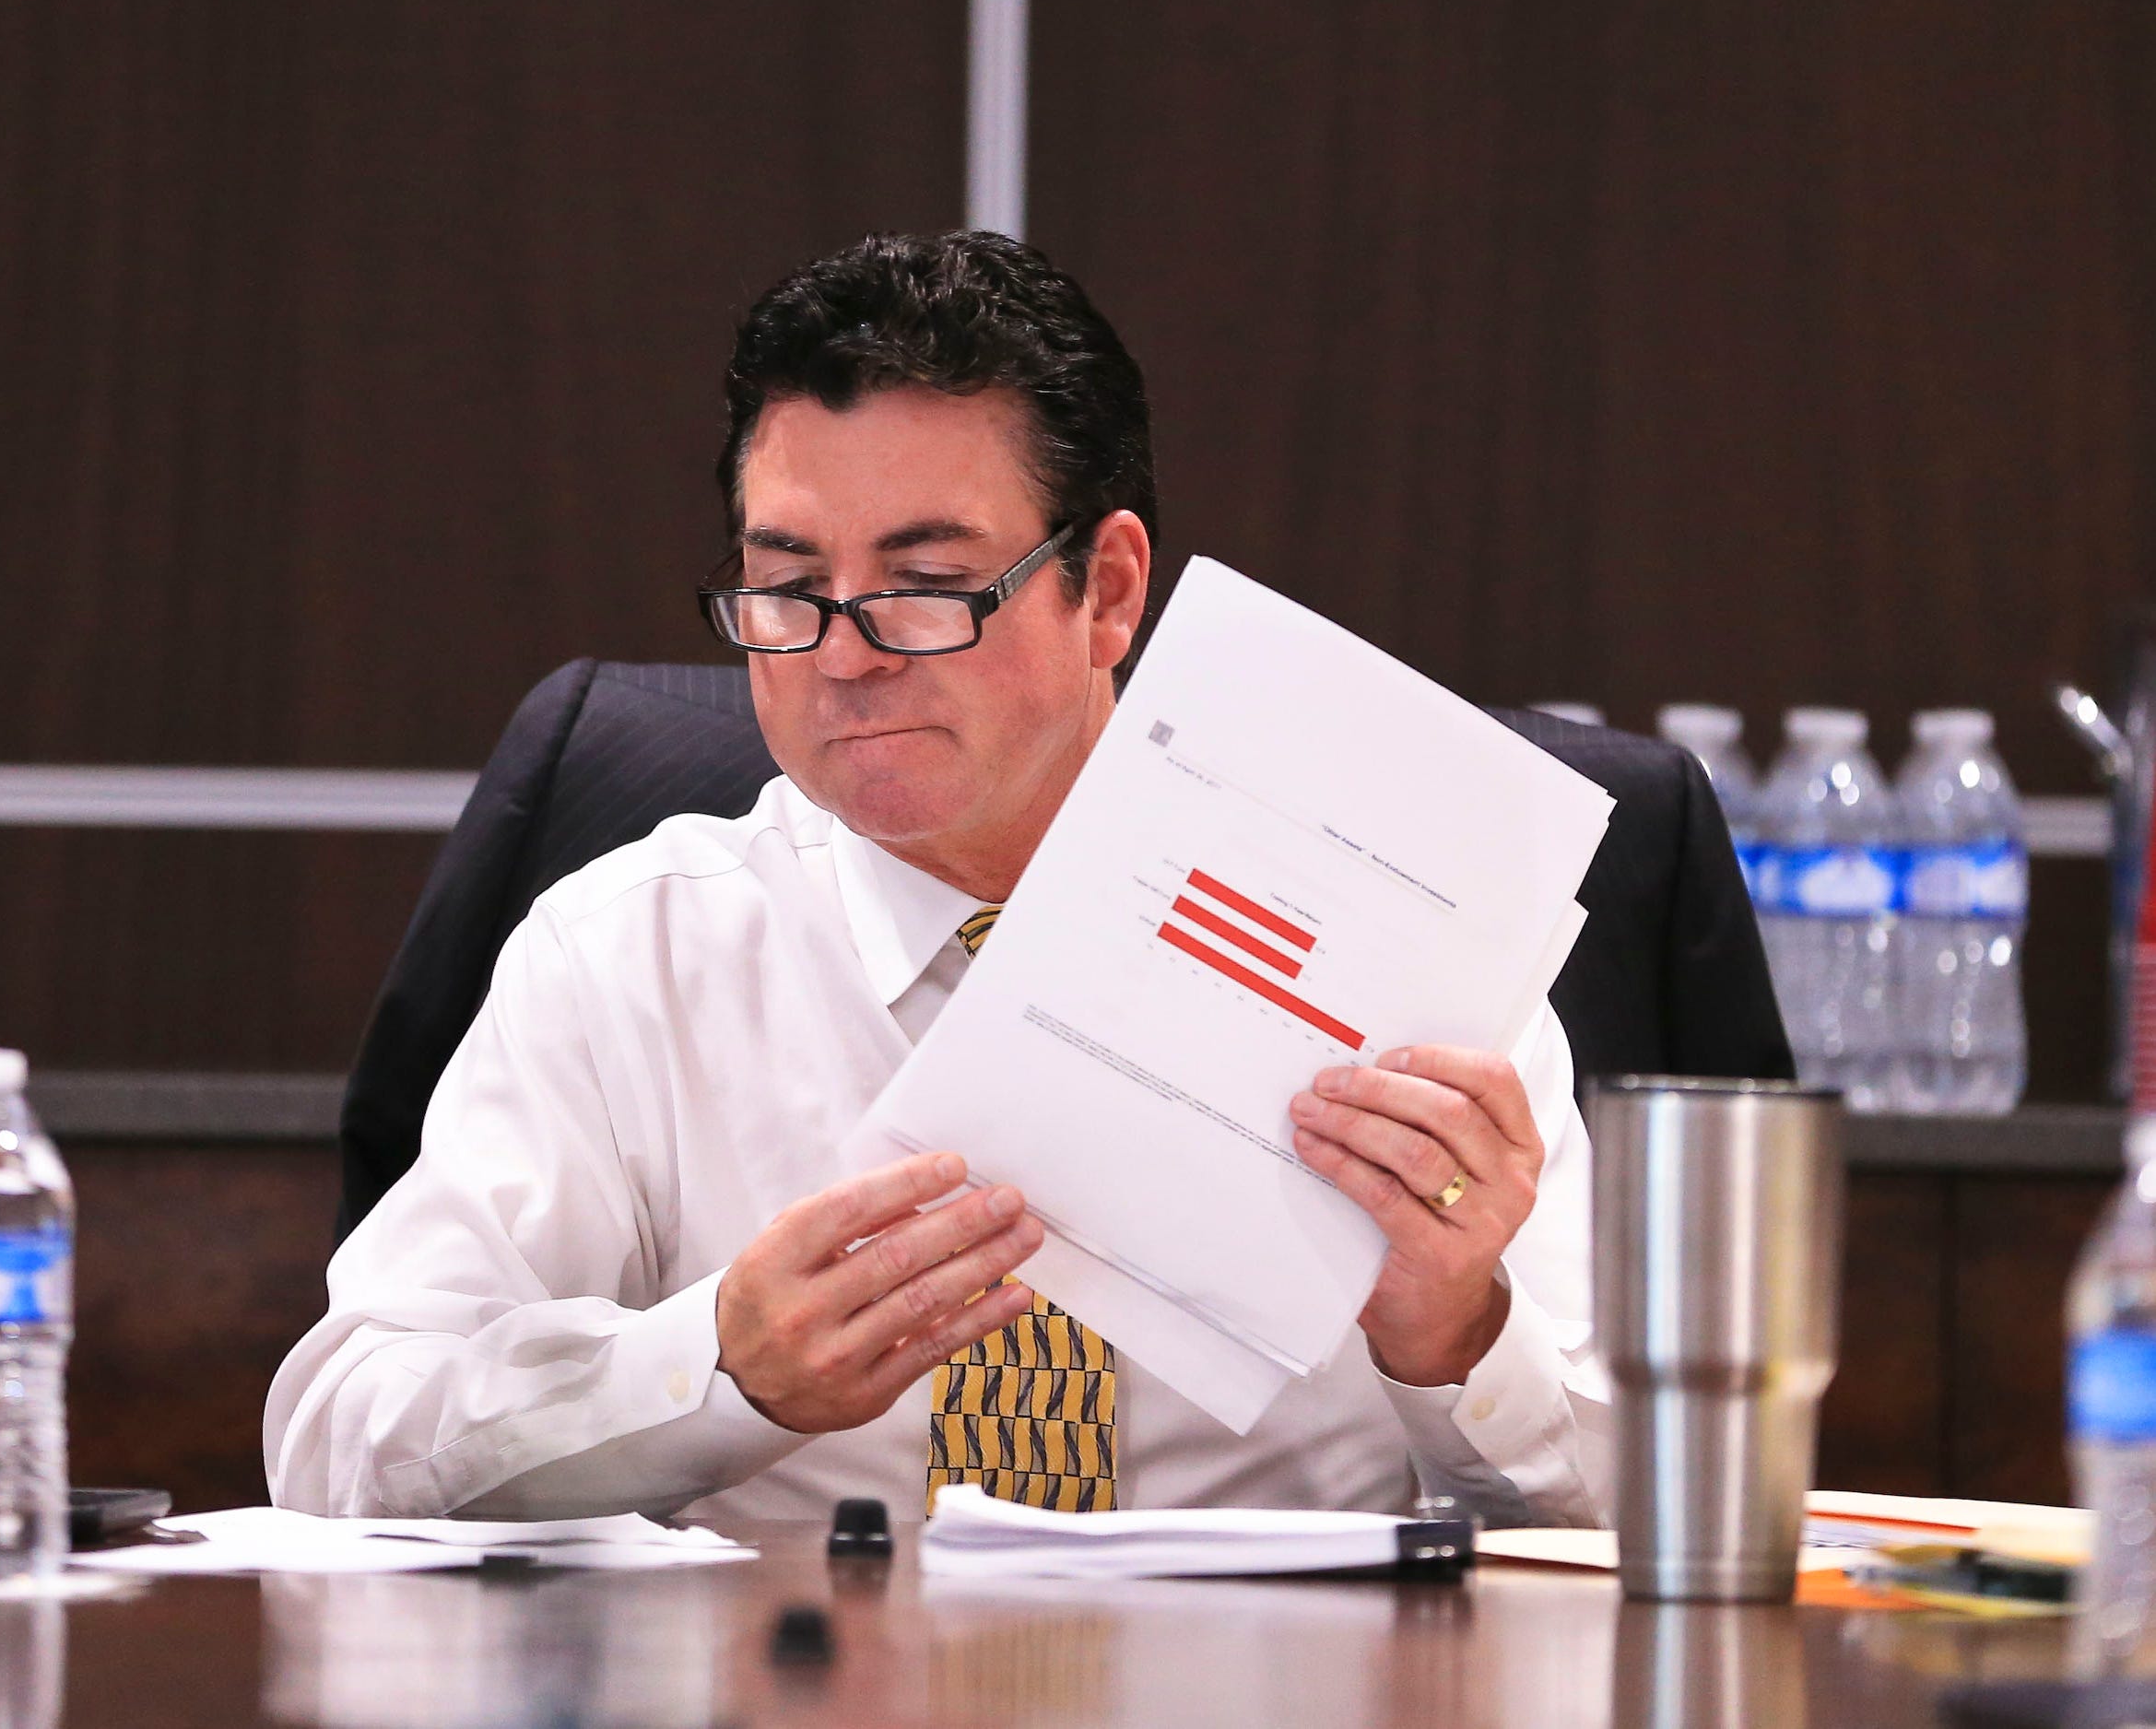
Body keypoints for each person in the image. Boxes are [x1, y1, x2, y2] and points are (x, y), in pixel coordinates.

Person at [265, 231, 1608, 1526]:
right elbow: (339, 1435)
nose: (842, 657)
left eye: (925, 586)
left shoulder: (1409, 955)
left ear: (1112, 589)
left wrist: (1454, 1334)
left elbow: (1635, 1512)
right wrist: (709, 1371)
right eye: (787, 587)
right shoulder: (637, 954)